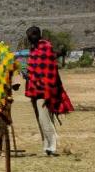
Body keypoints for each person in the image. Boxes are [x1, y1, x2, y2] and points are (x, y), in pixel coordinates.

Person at [25, 26, 73, 156]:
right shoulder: (34, 49)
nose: (30, 38)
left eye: (31, 35)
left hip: (45, 90)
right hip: (35, 89)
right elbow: (36, 67)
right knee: (42, 119)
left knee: (44, 118)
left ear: (37, 35)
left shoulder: (45, 47)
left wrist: (47, 93)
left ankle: (52, 146)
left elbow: (48, 71)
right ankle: (46, 146)